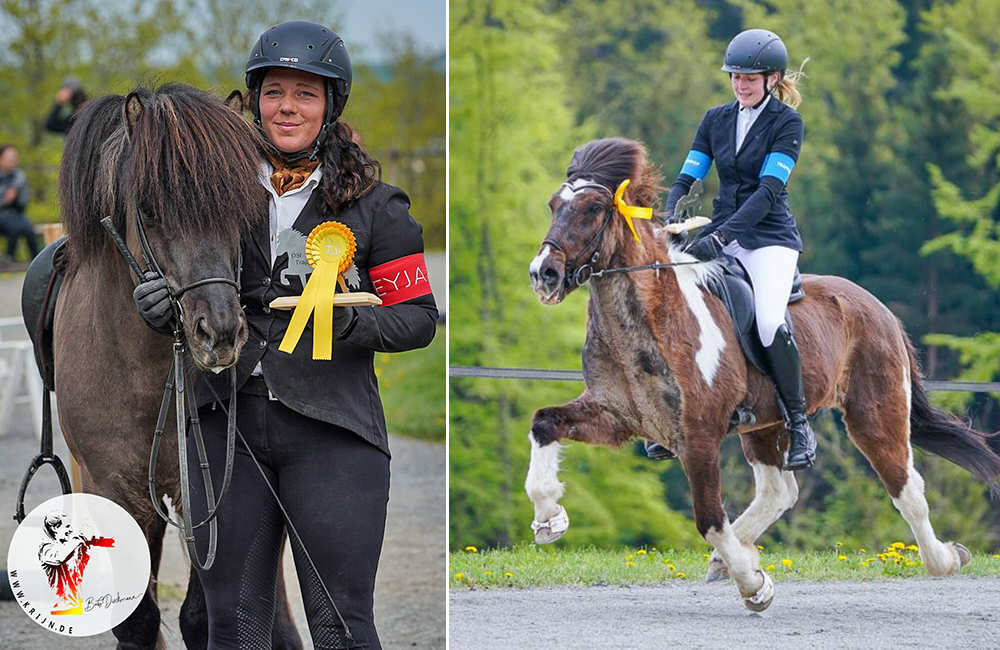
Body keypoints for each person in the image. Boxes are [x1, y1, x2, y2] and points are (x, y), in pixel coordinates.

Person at [133, 20, 437, 649]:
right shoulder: (211, 197)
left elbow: (417, 320)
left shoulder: (378, 207)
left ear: (331, 105)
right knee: (233, 629)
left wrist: (350, 318)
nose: (287, 107)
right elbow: (185, 275)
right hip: (224, 427)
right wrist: (162, 308)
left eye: (305, 93)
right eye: (274, 92)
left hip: (334, 433)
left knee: (339, 627)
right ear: (256, 99)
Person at [646, 28, 816, 470]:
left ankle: (799, 422)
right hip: (719, 230)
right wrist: (669, 219)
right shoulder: (715, 119)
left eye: (750, 78)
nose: (741, 85)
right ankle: (674, 417)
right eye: (735, 77)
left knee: (766, 321)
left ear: (773, 79)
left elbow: (768, 192)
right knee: (681, 310)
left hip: (768, 239)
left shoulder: (787, 124)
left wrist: (722, 238)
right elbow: (688, 177)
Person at [0, 145, 39, 262]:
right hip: (2, 214)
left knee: (28, 227)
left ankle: (36, 259)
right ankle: (9, 258)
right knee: (14, 227)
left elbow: (23, 203)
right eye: (10, 158)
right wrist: (5, 200)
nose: (13, 161)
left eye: (14, 158)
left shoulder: (19, 177)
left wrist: (16, 198)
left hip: (16, 214)